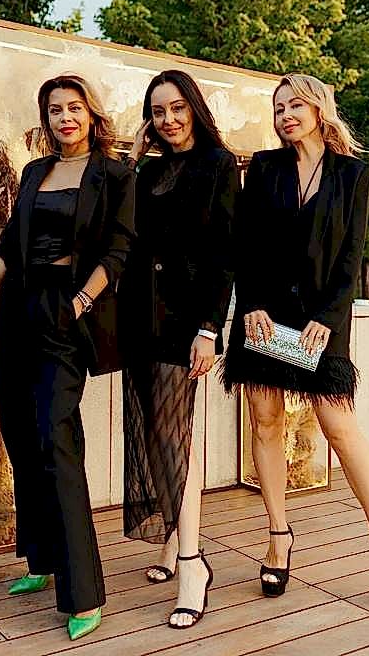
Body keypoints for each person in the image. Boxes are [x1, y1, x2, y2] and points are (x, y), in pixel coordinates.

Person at [223, 73, 369, 606]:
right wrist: (252, 303)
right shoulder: (264, 167)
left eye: (294, 105)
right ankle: (278, 536)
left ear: (319, 109)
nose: (285, 115)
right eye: (278, 107)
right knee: (265, 421)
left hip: (322, 319)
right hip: (264, 314)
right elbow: (245, 246)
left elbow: (351, 255)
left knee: (338, 425)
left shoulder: (352, 173)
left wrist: (327, 315)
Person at [0, 74, 135, 641]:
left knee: (57, 438)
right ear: (47, 118)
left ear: (91, 114)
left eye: (74, 107)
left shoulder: (114, 173)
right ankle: (40, 559)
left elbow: (119, 250)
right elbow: (9, 245)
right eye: (56, 109)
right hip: (18, 309)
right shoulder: (35, 172)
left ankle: (83, 592)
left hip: (68, 310)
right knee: (19, 433)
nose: (65, 117)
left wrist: (81, 301)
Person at [120, 69, 239, 629]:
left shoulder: (218, 164)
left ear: (193, 107)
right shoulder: (147, 171)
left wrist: (209, 329)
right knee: (152, 433)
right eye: (158, 111)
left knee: (174, 436)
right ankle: (174, 534)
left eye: (176, 108)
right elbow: (121, 229)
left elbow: (224, 254)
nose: (168, 120)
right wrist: (132, 158)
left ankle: (193, 564)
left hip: (189, 320)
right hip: (141, 316)